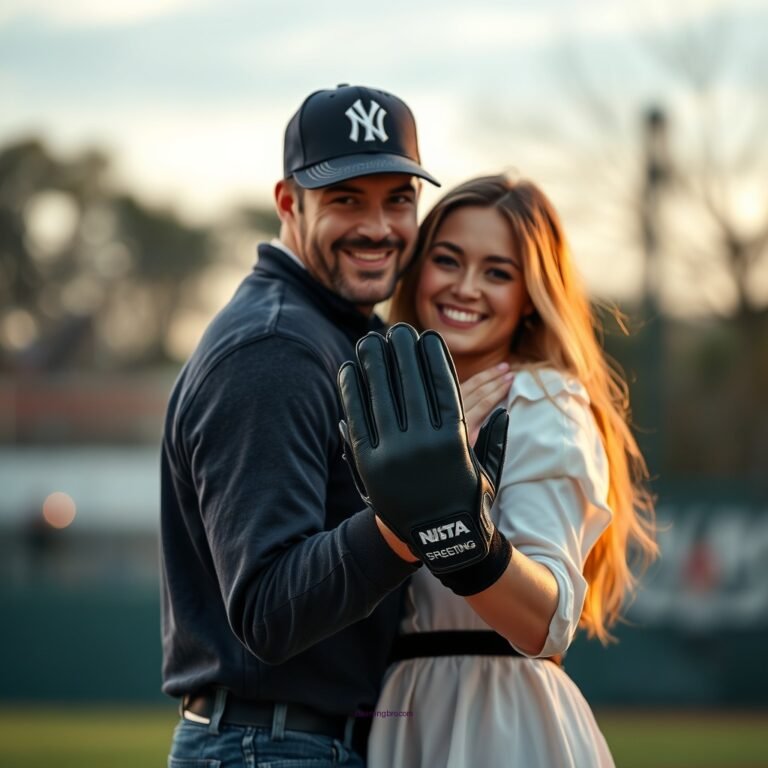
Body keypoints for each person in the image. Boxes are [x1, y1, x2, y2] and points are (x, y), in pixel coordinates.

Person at [160, 84, 451, 767]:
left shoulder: (331, 332)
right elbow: (269, 608)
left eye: (398, 199)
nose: (378, 227)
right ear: (289, 203)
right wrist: (407, 523)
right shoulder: (278, 348)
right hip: (270, 745)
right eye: (347, 199)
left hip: (297, 741)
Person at [348, 175, 659, 767]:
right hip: (402, 710)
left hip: (503, 717)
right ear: (418, 270)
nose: (466, 288)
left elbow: (548, 620)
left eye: (497, 272)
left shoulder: (543, 401)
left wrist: (463, 530)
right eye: (448, 260)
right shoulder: (393, 403)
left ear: (530, 296)